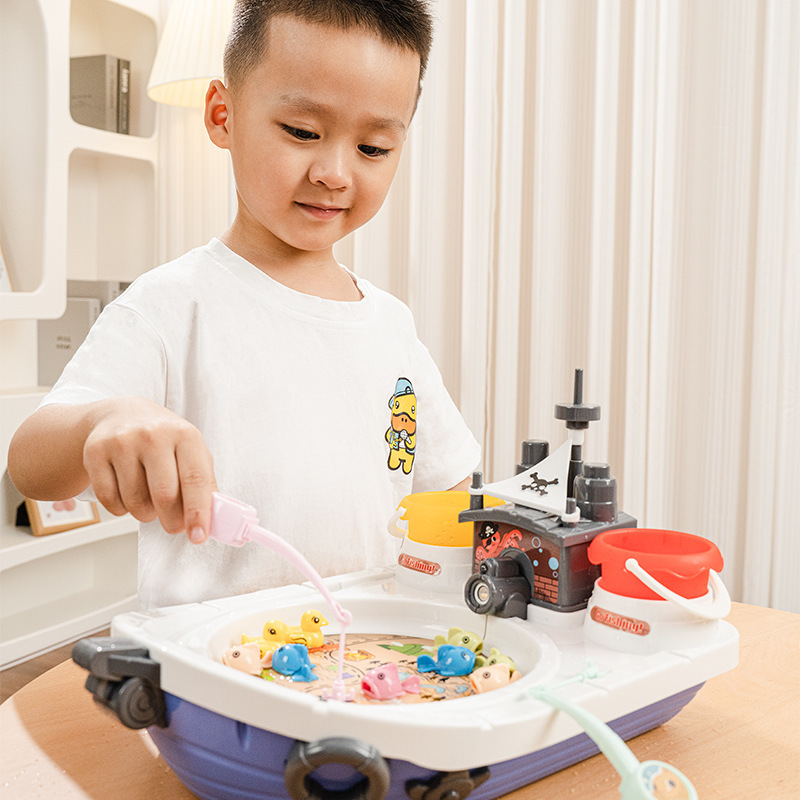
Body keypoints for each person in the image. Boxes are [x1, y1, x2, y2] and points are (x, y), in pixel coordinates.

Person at [8, 0, 480, 609]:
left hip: (364, 648)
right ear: (222, 115)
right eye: (303, 133)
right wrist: (104, 418)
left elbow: (449, 488)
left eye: (373, 148)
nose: (335, 172)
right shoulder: (170, 306)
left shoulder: (390, 324)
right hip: (206, 655)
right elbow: (30, 464)